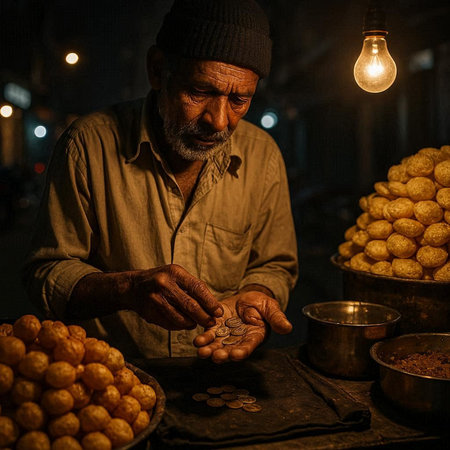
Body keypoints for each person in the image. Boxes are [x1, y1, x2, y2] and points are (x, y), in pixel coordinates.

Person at [23, 0, 298, 363]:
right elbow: (48, 271)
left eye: (238, 100)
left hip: (221, 375)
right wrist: (127, 289)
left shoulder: (262, 157)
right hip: (112, 377)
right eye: (199, 92)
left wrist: (257, 291)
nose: (218, 121)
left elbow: (276, 264)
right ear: (157, 71)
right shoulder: (88, 145)